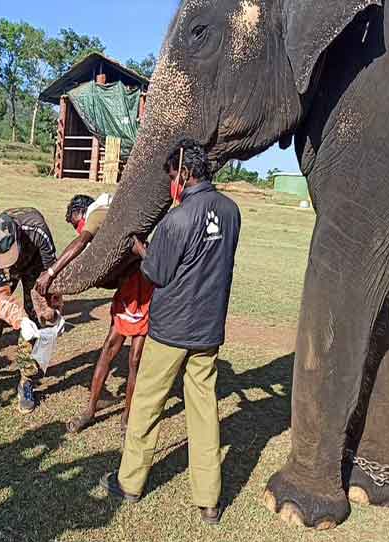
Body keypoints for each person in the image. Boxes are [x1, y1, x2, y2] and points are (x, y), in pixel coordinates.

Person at [100, 140, 241, 526]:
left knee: (147, 404)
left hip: (170, 331)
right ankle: (209, 500)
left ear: (184, 174)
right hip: (208, 331)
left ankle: (129, 483)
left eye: (171, 178)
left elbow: (158, 273)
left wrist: (142, 250)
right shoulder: (231, 212)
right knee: (204, 410)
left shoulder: (176, 220)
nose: (170, 186)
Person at [36, 193, 154, 436]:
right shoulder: (108, 216)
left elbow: (81, 243)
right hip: (127, 289)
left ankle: (127, 417)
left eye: (75, 223)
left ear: (82, 211)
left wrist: (50, 272)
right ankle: (91, 409)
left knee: (135, 358)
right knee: (109, 349)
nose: (77, 229)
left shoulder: (98, 215)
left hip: (142, 287)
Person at [0, 210, 61, 413]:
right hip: (5, 275)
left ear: (18, 235)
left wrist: (53, 308)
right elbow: (1, 297)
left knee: (37, 319)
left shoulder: (37, 230)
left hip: (35, 266)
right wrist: (20, 320)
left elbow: (51, 276)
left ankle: (26, 381)